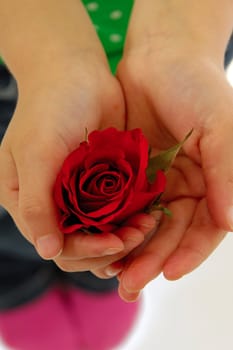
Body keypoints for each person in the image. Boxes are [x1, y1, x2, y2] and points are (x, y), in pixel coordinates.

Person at [0, 0, 232, 349]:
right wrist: (49, 62)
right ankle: (15, 283)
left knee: (122, 240)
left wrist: (178, 41)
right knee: (18, 207)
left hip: (195, 29)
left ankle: (104, 275)